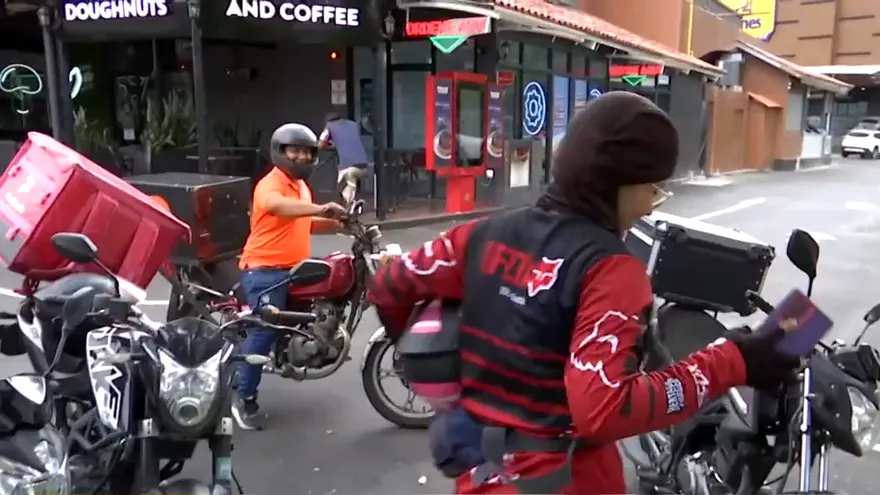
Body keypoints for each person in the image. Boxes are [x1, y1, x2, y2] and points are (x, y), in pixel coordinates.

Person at [366, 92, 800, 494]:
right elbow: (603, 409)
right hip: (565, 480)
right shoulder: (610, 271)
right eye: (652, 189)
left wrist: (445, 379)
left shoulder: (482, 235)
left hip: (481, 471)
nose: (652, 204)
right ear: (619, 183)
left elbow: (388, 285)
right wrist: (730, 362)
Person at [233, 123, 345, 430]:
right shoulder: (271, 184)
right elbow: (275, 206)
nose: (300, 157)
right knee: (264, 331)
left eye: (306, 153)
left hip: (293, 269)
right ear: (280, 153)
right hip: (265, 271)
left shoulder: (300, 187)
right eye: (294, 151)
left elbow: (305, 221)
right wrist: (322, 208)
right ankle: (244, 399)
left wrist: (338, 223)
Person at [318, 112, 368, 207]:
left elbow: (320, 144)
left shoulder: (330, 126)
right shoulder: (353, 125)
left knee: (341, 191)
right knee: (354, 188)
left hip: (347, 165)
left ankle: (345, 211)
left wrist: (329, 146)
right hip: (363, 164)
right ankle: (356, 207)